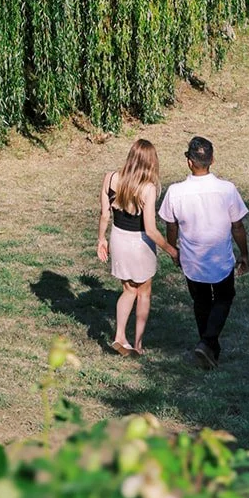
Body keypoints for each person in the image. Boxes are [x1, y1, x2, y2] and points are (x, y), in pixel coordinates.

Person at [160, 135, 249, 370]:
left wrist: (173, 250)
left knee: (200, 302)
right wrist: (244, 253)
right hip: (220, 259)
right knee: (224, 298)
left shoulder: (175, 192)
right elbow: (237, 226)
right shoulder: (227, 190)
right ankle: (208, 343)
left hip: (192, 260)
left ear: (189, 161)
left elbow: (171, 225)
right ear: (212, 160)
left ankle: (208, 348)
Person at [97, 138, 178, 355]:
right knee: (144, 292)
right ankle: (138, 344)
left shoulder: (111, 178)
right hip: (139, 243)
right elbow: (150, 229)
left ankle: (119, 337)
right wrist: (171, 249)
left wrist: (101, 239)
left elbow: (105, 214)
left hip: (118, 238)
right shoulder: (148, 188)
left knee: (127, 290)